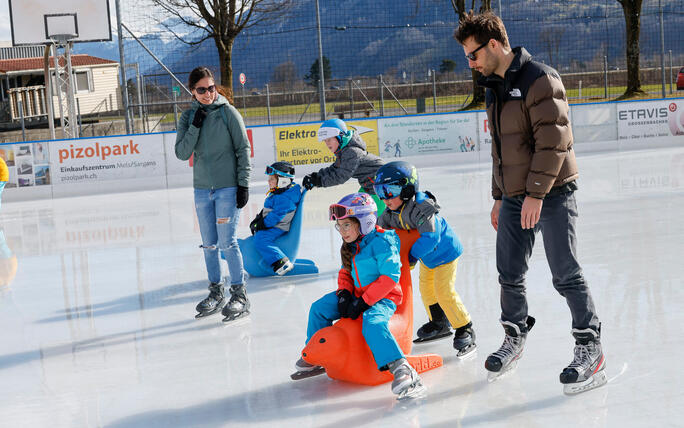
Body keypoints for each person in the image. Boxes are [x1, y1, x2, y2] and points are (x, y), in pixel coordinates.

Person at [455, 12, 605, 393]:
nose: (469, 63)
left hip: (552, 193)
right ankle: (514, 335)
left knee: (565, 272)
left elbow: (554, 141)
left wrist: (536, 194)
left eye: (472, 55)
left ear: (493, 45)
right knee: (508, 271)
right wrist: (499, 196)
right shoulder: (493, 86)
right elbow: (500, 149)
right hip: (513, 194)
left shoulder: (540, 78)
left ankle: (590, 346)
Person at [293, 192, 425, 399]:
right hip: (356, 294)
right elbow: (345, 272)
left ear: (365, 222)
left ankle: (401, 367)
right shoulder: (351, 244)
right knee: (319, 308)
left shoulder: (383, 242)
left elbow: (390, 278)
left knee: (372, 323)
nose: (341, 231)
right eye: (339, 225)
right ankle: (316, 355)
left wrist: (364, 302)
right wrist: (344, 293)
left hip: (384, 297)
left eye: (346, 225)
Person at [374, 161, 476, 357]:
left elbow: (430, 237)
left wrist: (410, 257)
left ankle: (465, 326)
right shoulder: (389, 214)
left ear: (407, 188)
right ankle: (439, 322)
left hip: (445, 254)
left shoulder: (422, 207)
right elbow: (379, 233)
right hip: (427, 259)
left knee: (443, 291)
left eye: (390, 190)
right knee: (427, 291)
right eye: (380, 191)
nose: (384, 198)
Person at [175, 66, 252, 323]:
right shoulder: (188, 118)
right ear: (192, 91)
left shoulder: (228, 113)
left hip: (228, 188)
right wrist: (196, 126)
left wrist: (243, 184)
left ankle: (239, 294)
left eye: (211, 88)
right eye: (201, 90)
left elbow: (243, 149)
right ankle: (216, 292)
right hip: (202, 190)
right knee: (209, 245)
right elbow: (182, 153)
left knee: (227, 242)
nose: (208, 94)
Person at [302, 118, 386, 212]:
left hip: (380, 188)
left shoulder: (352, 152)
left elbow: (341, 176)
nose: (327, 143)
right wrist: (316, 176)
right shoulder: (344, 151)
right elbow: (334, 169)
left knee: (366, 218)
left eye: (329, 139)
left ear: (340, 136)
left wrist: (319, 181)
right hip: (368, 186)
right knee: (357, 215)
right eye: (325, 140)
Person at [249, 161, 302, 276]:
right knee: (259, 235)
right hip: (274, 223)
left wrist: (261, 224)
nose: (268, 181)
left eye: (272, 179)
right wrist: (258, 220)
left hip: (278, 226)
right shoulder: (281, 193)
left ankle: (281, 262)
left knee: (261, 239)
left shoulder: (285, 198)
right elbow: (269, 211)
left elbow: (276, 216)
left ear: (283, 181)